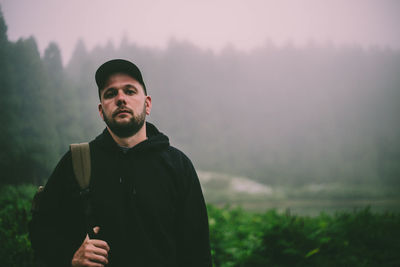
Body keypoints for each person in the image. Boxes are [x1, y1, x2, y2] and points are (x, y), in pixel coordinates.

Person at [29, 59, 212, 267]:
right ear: (101, 111)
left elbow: (197, 252)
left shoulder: (178, 165)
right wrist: (70, 256)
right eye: (110, 93)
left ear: (147, 104)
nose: (121, 99)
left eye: (130, 91)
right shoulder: (77, 162)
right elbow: (41, 230)